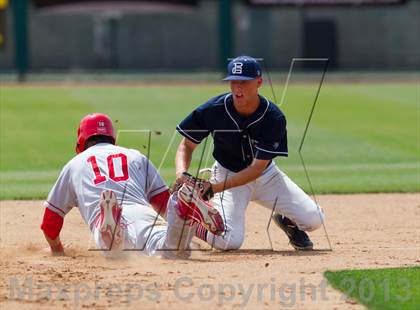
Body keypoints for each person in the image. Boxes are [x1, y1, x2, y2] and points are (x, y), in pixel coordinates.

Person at [175, 55, 325, 251]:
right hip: (227, 174)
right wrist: (181, 173)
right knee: (228, 242)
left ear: (259, 83)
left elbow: (257, 168)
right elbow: (186, 146)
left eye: (244, 82)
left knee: (314, 219)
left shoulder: (273, 117)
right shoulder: (214, 110)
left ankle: (287, 221)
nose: (238, 88)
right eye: (233, 82)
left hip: (265, 176)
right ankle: (192, 224)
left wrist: (213, 188)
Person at [40, 113, 224, 259]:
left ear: (81, 141)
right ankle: (184, 214)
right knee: (171, 250)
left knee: (114, 253)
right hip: (141, 211)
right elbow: (162, 203)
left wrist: (56, 249)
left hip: (103, 216)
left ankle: (112, 230)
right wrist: (189, 228)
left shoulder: (75, 164)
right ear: (113, 138)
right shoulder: (135, 155)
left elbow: (50, 222)